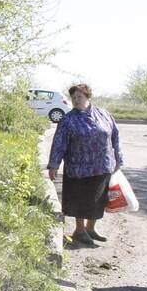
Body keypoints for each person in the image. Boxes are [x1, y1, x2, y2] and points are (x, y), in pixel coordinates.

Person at [46, 83, 123, 245]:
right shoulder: (68, 120)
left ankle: (90, 229)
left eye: (79, 96)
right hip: (78, 168)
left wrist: (119, 158)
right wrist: (54, 164)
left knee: (97, 200)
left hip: (102, 166)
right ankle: (79, 230)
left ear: (87, 97)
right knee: (80, 200)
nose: (76, 100)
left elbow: (115, 136)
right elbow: (59, 143)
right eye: (73, 97)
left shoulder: (104, 114)